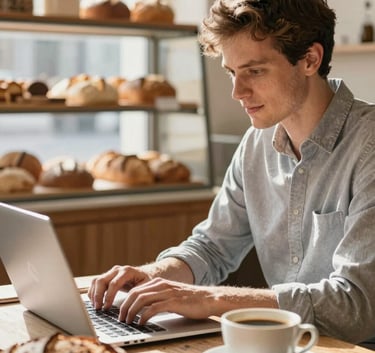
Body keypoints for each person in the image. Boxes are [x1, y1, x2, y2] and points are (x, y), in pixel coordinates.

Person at [88, 0, 375, 345]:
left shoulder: (368, 146)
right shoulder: (257, 142)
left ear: (310, 60)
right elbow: (212, 247)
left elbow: (358, 306)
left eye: (254, 71)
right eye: (231, 72)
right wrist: (152, 277)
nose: (237, 92)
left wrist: (211, 299)